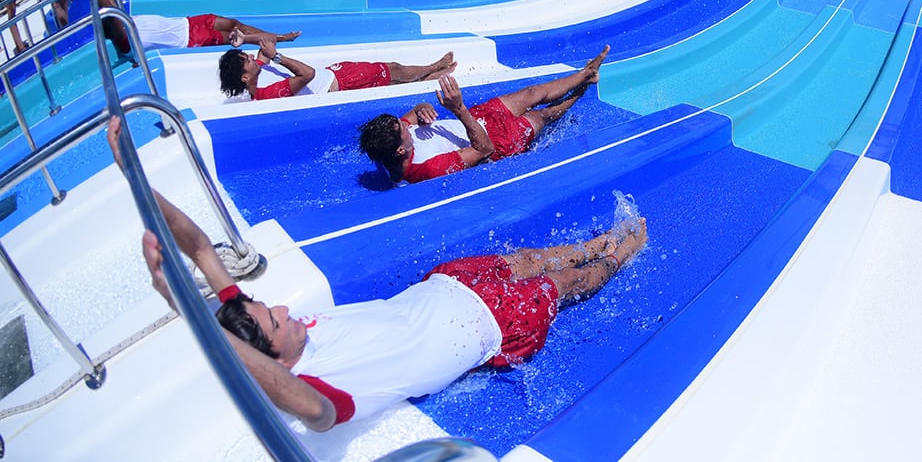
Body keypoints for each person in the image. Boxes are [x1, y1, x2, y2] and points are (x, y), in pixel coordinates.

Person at [109, 118, 647, 432]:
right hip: (489, 325)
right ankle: (619, 254)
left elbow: (202, 248)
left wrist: (134, 178)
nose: (282, 308)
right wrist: (199, 329)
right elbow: (310, 411)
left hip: (447, 283)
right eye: (275, 321)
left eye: (268, 307)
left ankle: (596, 244)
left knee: (533, 257)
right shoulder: (321, 386)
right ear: (273, 361)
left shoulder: (258, 327)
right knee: (564, 284)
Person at [360, 47, 607, 183]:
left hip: (474, 118)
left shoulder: (390, 142)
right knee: (543, 115)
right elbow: (484, 149)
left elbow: (413, 113)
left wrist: (422, 108)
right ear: (400, 151)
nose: (408, 125)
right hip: (496, 143)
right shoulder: (428, 168)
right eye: (404, 129)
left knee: (532, 93)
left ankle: (585, 73)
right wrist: (459, 109)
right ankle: (582, 90)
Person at [93, 0, 301, 54]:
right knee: (237, 36)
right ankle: (278, 40)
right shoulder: (125, 41)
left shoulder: (127, 20)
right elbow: (107, 5)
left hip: (191, 22)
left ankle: (277, 36)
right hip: (192, 39)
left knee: (234, 23)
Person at [218, 38, 457, 101]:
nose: (252, 56)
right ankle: (434, 68)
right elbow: (307, 75)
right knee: (392, 71)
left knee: (391, 75)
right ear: (244, 77)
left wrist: (245, 38)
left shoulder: (258, 72)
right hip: (339, 84)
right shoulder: (267, 94)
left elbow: (267, 41)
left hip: (333, 74)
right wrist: (277, 57)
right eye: (247, 59)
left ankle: (429, 76)